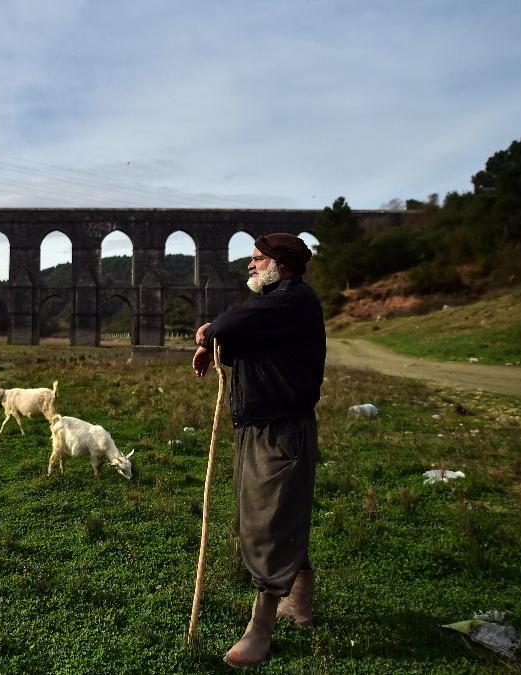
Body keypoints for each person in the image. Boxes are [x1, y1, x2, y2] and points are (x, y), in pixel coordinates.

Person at [192, 233, 325, 668]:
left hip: (282, 430)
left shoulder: (293, 300)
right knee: (274, 512)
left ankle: (260, 629)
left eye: (256, 259)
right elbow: (242, 341)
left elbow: (232, 326)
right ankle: (299, 602)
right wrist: (213, 349)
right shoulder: (277, 308)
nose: (249, 266)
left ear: (279, 264)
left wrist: (212, 331)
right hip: (259, 427)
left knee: (270, 520)